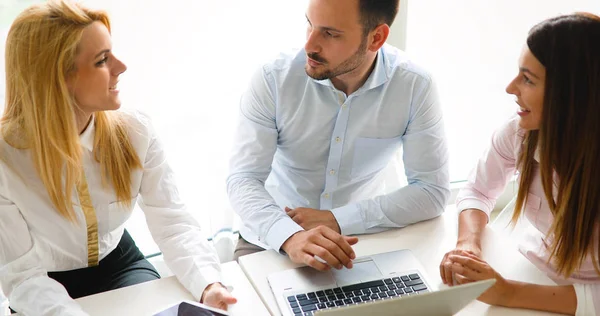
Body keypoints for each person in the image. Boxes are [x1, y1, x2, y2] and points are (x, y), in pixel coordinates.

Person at [0, 1, 236, 314]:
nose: (121, 67)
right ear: (57, 78)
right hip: (39, 283)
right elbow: (22, 278)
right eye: (102, 60)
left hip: (120, 265)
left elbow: (172, 223)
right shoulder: (5, 160)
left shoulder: (135, 131)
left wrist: (209, 284)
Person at [227, 0, 450, 271]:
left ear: (376, 38)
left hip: (359, 241)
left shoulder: (414, 86)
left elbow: (431, 191)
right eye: (309, 24)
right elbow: (243, 179)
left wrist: (336, 219)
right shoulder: (273, 79)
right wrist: (290, 236)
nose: (310, 45)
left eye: (330, 34)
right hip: (269, 239)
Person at [439, 12, 600, 316]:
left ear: (572, 96)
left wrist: (508, 293)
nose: (511, 88)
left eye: (528, 79)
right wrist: (468, 244)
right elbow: (477, 190)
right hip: (528, 268)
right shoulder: (520, 133)